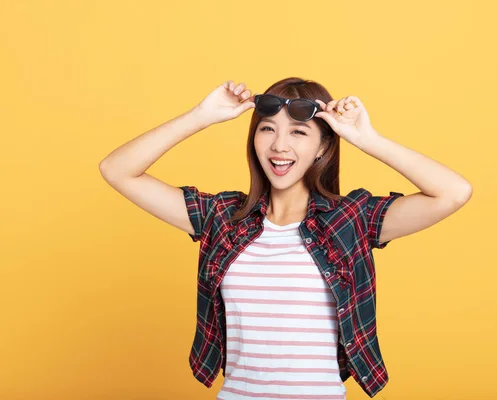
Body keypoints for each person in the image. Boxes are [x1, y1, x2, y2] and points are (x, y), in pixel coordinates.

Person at [99, 77, 472, 399]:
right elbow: (117, 170)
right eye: (267, 128)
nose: (279, 145)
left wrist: (366, 139)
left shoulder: (349, 220)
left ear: (323, 147)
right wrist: (201, 116)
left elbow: (452, 192)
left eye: (298, 132)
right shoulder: (223, 219)